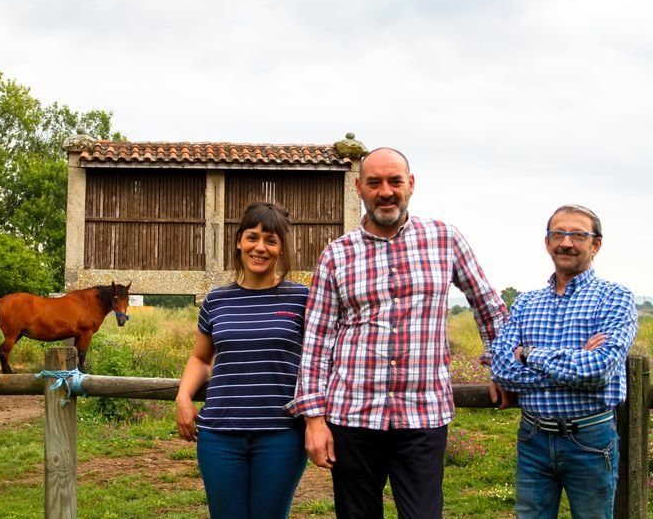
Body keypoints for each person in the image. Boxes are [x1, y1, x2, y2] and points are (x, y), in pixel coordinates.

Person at [286, 147, 508, 518]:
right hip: (353, 415)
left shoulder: (445, 239)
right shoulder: (336, 254)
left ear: (411, 184)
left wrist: (501, 368)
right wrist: (313, 418)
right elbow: (317, 339)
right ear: (358, 187)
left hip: (423, 415)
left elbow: (487, 304)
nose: (385, 191)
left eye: (395, 181)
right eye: (374, 182)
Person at [490, 204, 638, 519]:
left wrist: (529, 354)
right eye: (558, 234)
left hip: (590, 440)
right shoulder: (527, 301)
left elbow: (598, 370)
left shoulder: (615, 297)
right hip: (533, 438)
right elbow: (502, 369)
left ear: (596, 244)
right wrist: (572, 366)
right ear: (547, 242)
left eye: (577, 235)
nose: (566, 242)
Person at [175, 200, 309, 519]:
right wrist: (183, 397)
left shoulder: (303, 298)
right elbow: (201, 358)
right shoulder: (216, 300)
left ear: (281, 248)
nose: (260, 247)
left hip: (282, 435)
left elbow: (320, 360)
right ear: (239, 241)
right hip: (219, 435)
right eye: (252, 237)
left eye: (270, 240)